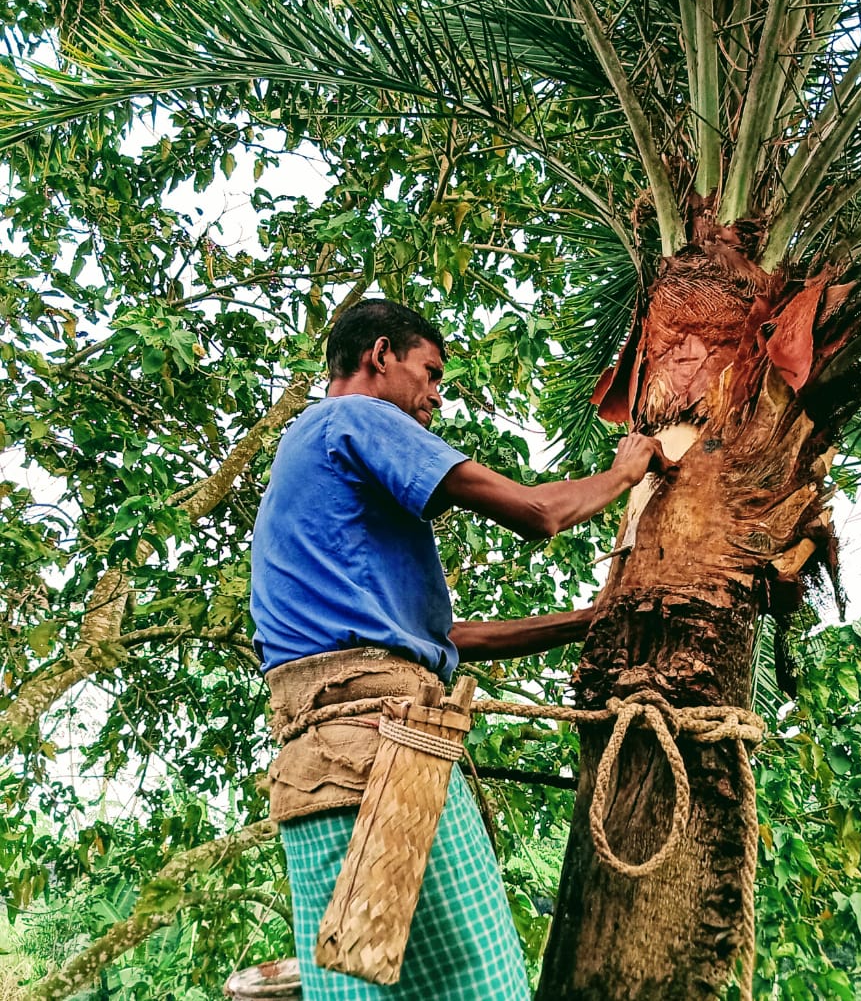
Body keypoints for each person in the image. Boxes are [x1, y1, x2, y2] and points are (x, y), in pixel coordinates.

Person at [250, 298, 666, 1000]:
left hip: (316, 770)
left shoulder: (305, 453)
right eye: (431, 371)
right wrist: (626, 474)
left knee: (359, 990)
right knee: (481, 981)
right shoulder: (356, 417)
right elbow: (537, 514)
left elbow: (442, 643)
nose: (437, 396)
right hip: (383, 754)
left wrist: (585, 619)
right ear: (380, 355)